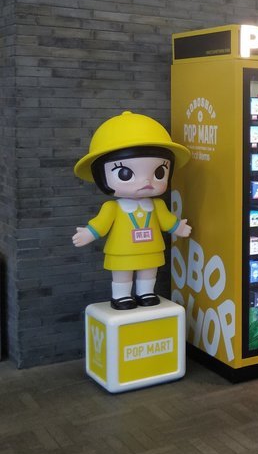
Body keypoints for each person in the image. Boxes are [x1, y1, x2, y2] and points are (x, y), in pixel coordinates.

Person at [72, 111, 192, 310]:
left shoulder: (157, 205)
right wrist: (88, 233)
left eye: (159, 172)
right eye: (125, 173)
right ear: (101, 175)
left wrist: (178, 227)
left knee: (149, 272)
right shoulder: (112, 207)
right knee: (122, 274)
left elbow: (167, 221)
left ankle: (146, 293)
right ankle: (121, 296)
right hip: (122, 252)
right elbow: (101, 224)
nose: (147, 181)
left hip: (150, 249)